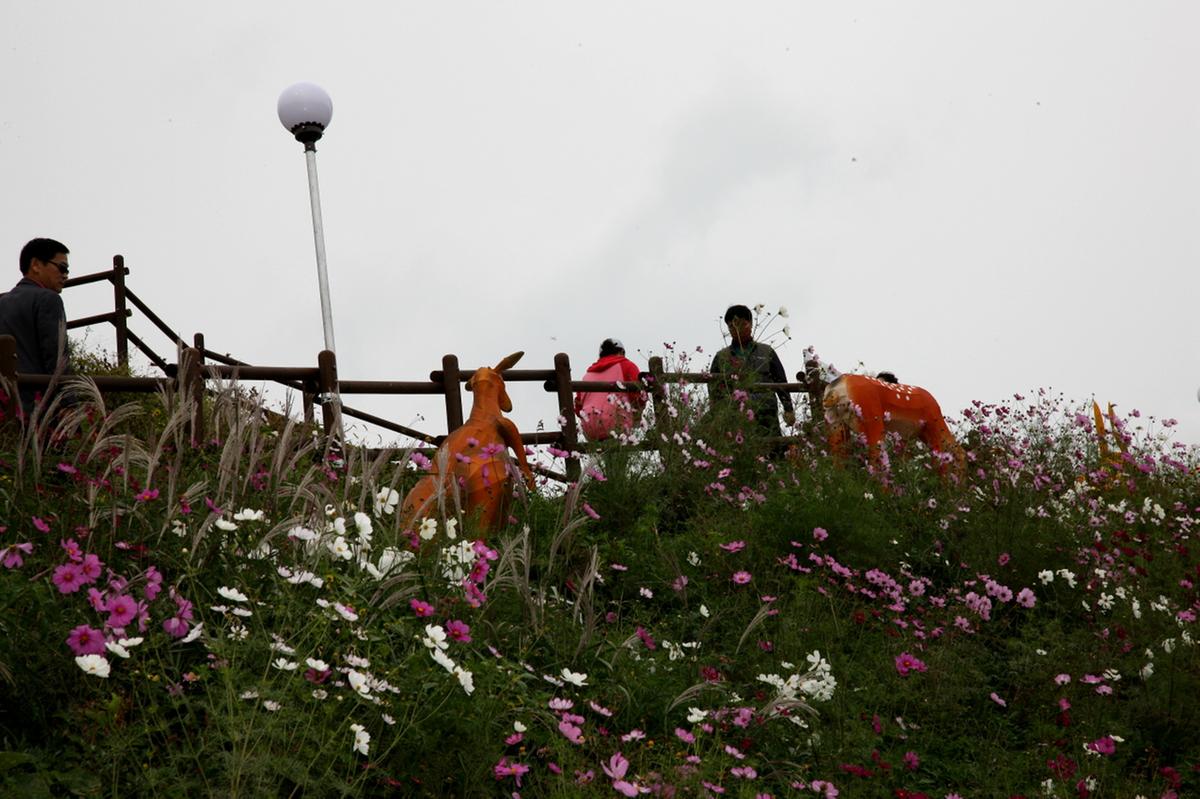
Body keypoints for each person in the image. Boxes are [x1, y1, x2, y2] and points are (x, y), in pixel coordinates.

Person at [0, 238, 73, 414]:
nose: (65, 275)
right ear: (36, 265)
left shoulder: (2, 302)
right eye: (62, 267)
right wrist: (70, 405)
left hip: (4, 405)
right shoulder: (49, 299)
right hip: (35, 408)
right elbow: (56, 358)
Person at [709, 304, 795, 437]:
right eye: (732, 326)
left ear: (750, 324)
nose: (737, 329)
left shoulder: (766, 351)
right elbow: (714, 390)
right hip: (734, 416)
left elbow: (781, 381)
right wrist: (717, 415)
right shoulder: (722, 357)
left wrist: (788, 408)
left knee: (773, 446)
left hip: (765, 412)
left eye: (742, 324)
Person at [574, 338, 646, 441]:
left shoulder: (587, 375)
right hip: (618, 425)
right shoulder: (627, 366)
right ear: (621, 352)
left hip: (590, 429)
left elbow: (578, 408)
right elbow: (638, 397)